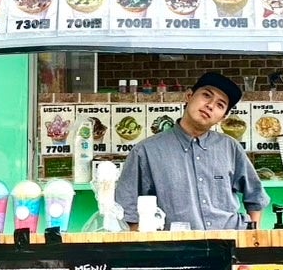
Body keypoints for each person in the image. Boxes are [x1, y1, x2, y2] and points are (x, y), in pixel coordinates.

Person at [114, 71, 268, 232]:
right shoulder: (145, 151)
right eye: (206, 95)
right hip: (176, 245)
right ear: (188, 96)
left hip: (229, 241)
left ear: (223, 117)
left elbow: (256, 197)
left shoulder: (230, 147)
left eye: (220, 105)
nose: (210, 105)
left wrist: (253, 236)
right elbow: (126, 210)